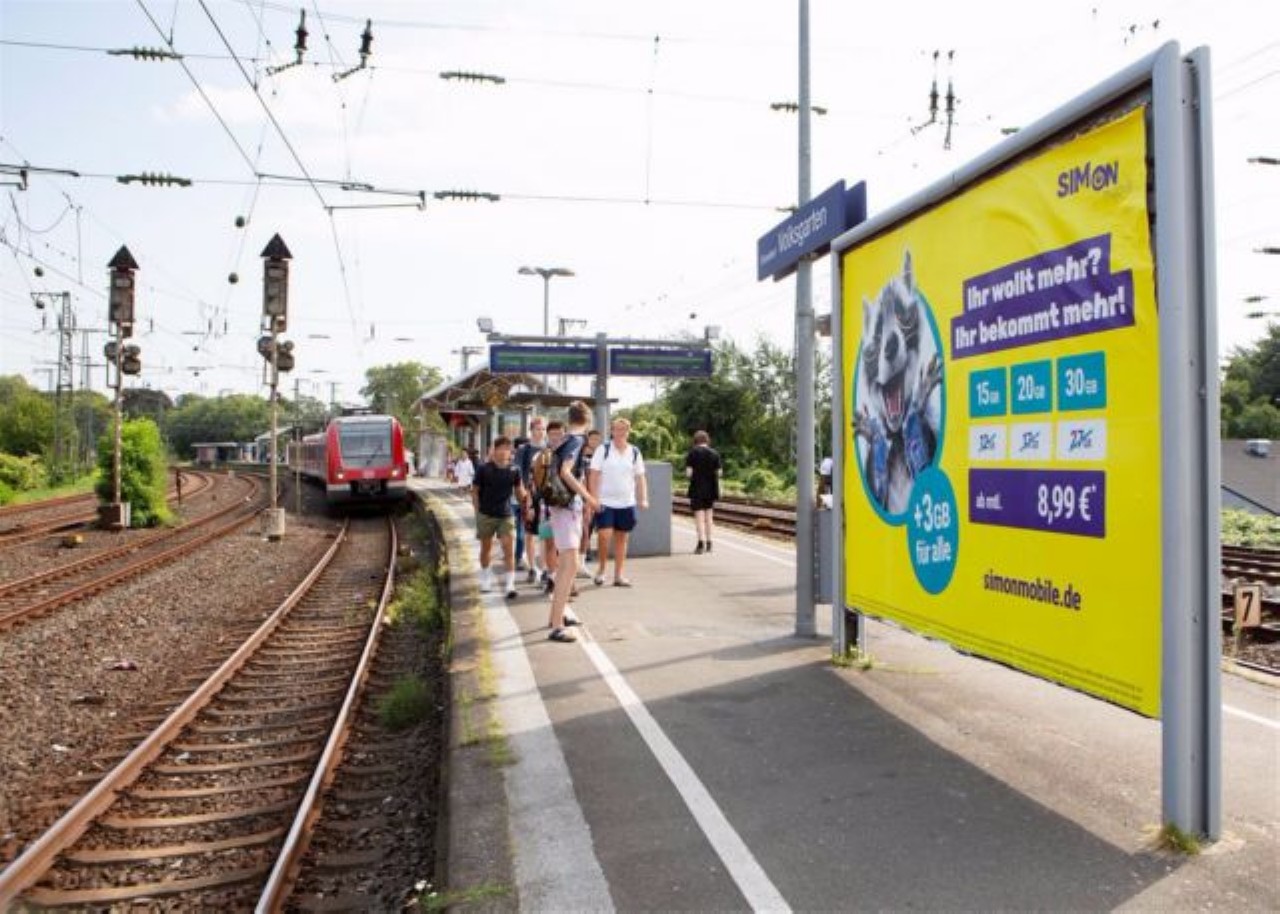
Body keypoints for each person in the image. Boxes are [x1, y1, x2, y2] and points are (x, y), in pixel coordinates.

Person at [545, 403, 597, 643]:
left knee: (568, 564)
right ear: (588, 419)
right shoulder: (576, 441)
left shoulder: (563, 439)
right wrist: (589, 497)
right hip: (567, 508)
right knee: (569, 565)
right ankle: (557, 625)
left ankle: (557, 616)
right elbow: (566, 472)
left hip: (560, 505)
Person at [589, 417, 648, 587]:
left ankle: (618, 575)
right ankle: (601, 570)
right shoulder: (603, 449)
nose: (620, 432)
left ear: (628, 432)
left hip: (626, 502)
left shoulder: (634, 452)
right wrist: (593, 498)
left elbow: (640, 477)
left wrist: (643, 498)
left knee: (622, 539)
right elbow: (593, 474)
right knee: (604, 535)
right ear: (612, 431)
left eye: (624, 430)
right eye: (617, 429)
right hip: (605, 502)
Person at [471, 436, 527, 600]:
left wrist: (527, 500)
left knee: (508, 549)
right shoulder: (483, 469)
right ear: (494, 450)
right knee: (486, 549)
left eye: (507, 449)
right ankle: (485, 580)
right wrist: (477, 512)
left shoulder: (515, 470)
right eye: (500, 448)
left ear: (511, 452)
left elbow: (519, 491)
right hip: (486, 514)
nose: (504, 452)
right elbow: (475, 491)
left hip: (506, 514)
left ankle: (510, 585)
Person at [516, 417, 551, 585]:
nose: (541, 432)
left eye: (543, 429)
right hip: (529, 496)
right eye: (538, 429)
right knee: (529, 534)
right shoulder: (524, 449)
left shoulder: (550, 448)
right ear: (531, 430)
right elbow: (518, 473)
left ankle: (544, 569)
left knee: (545, 534)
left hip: (546, 497)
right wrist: (525, 497)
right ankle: (531, 568)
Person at [685, 430, 722, 554]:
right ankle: (710, 543)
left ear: (696, 440)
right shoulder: (715, 453)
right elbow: (719, 473)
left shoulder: (692, 453)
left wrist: (696, 474)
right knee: (709, 517)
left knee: (699, 518)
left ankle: (701, 544)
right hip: (711, 489)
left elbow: (689, 473)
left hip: (697, 489)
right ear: (707, 440)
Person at [579, 429, 603, 567]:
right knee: (586, 525)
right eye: (592, 439)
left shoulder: (601, 456)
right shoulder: (582, 457)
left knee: (593, 525)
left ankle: (587, 550)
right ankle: (585, 552)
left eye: (597, 439)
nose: (595, 442)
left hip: (599, 494)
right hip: (586, 495)